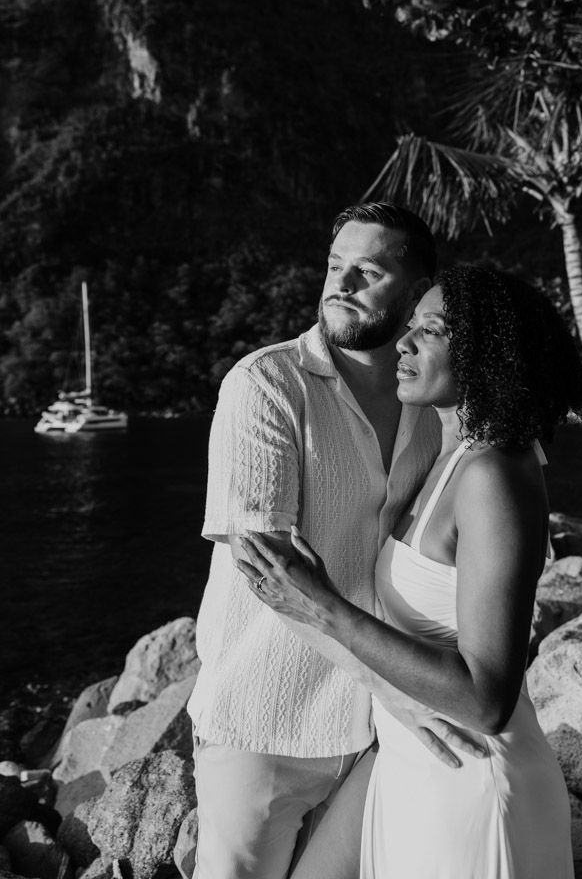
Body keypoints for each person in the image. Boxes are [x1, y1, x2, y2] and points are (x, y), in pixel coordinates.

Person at [237, 264, 582, 879]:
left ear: (488, 354)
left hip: (471, 783)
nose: (402, 343)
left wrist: (323, 608)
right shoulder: (447, 456)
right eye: (410, 326)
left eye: (430, 331)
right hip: (411, 762)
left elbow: (487, 700)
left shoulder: (494, 476)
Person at [188, 205, 483, 879]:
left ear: (415, 293)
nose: (340, 283)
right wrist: (398, 689)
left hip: (387, 727)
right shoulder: (264, 384)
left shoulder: (431, 399)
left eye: (367, 271)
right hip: (266, 718)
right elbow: (269, 569)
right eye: (333, 265)